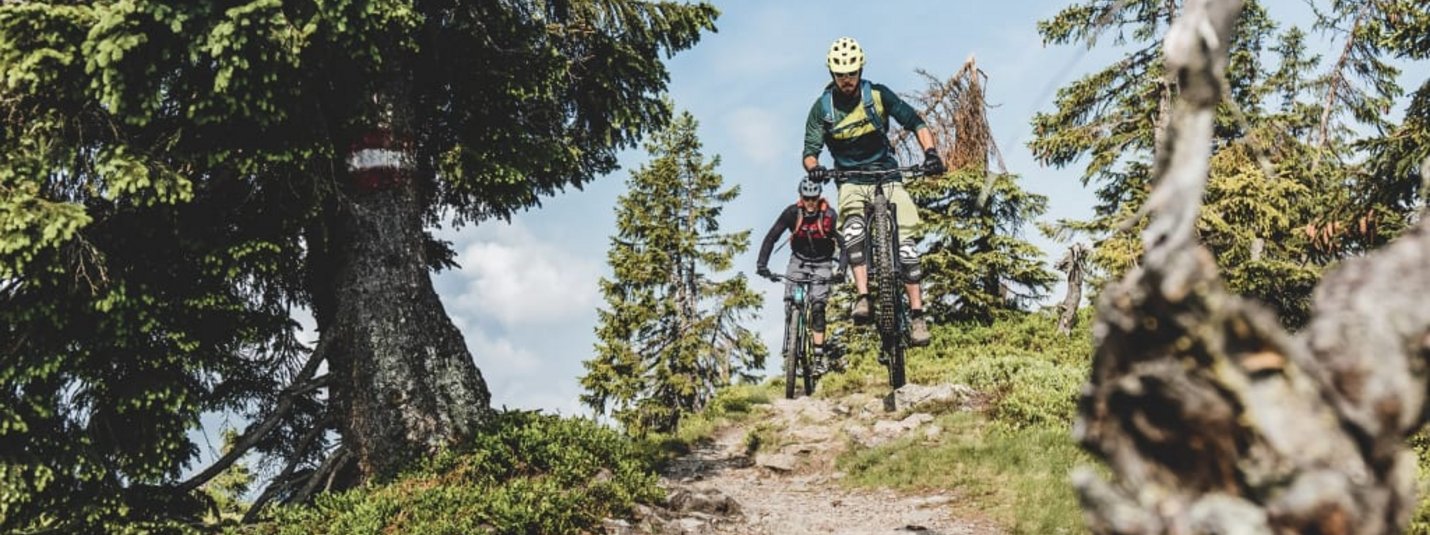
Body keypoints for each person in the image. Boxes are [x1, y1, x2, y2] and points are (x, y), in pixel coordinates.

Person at [802, 36, 946, 347]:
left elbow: (916, 122)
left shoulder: (877, 96)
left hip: (888, 174)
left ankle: (917, 316)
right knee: (853, 230)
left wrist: (931, 153)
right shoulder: (822, 109)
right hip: (851, 180)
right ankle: (864, 297)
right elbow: (809, 152)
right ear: (832, 74)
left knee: (906, 246)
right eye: (841, 74)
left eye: (852, 73)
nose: (847, 80)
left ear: (860, 69)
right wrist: (814, 166)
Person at [757, 178, 848, 374]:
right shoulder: (792, 213)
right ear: (801, 198)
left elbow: (844, 244)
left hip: (823, 262)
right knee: (791, 301)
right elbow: (772, 236)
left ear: (819, 197)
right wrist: (762, 264)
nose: (810, 203)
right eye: (807, 199)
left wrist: (841, 270)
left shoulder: (829, 216)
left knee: (817, 306)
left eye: (814, 198)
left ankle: (818, 357)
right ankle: (792, 341)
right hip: (798, 260)